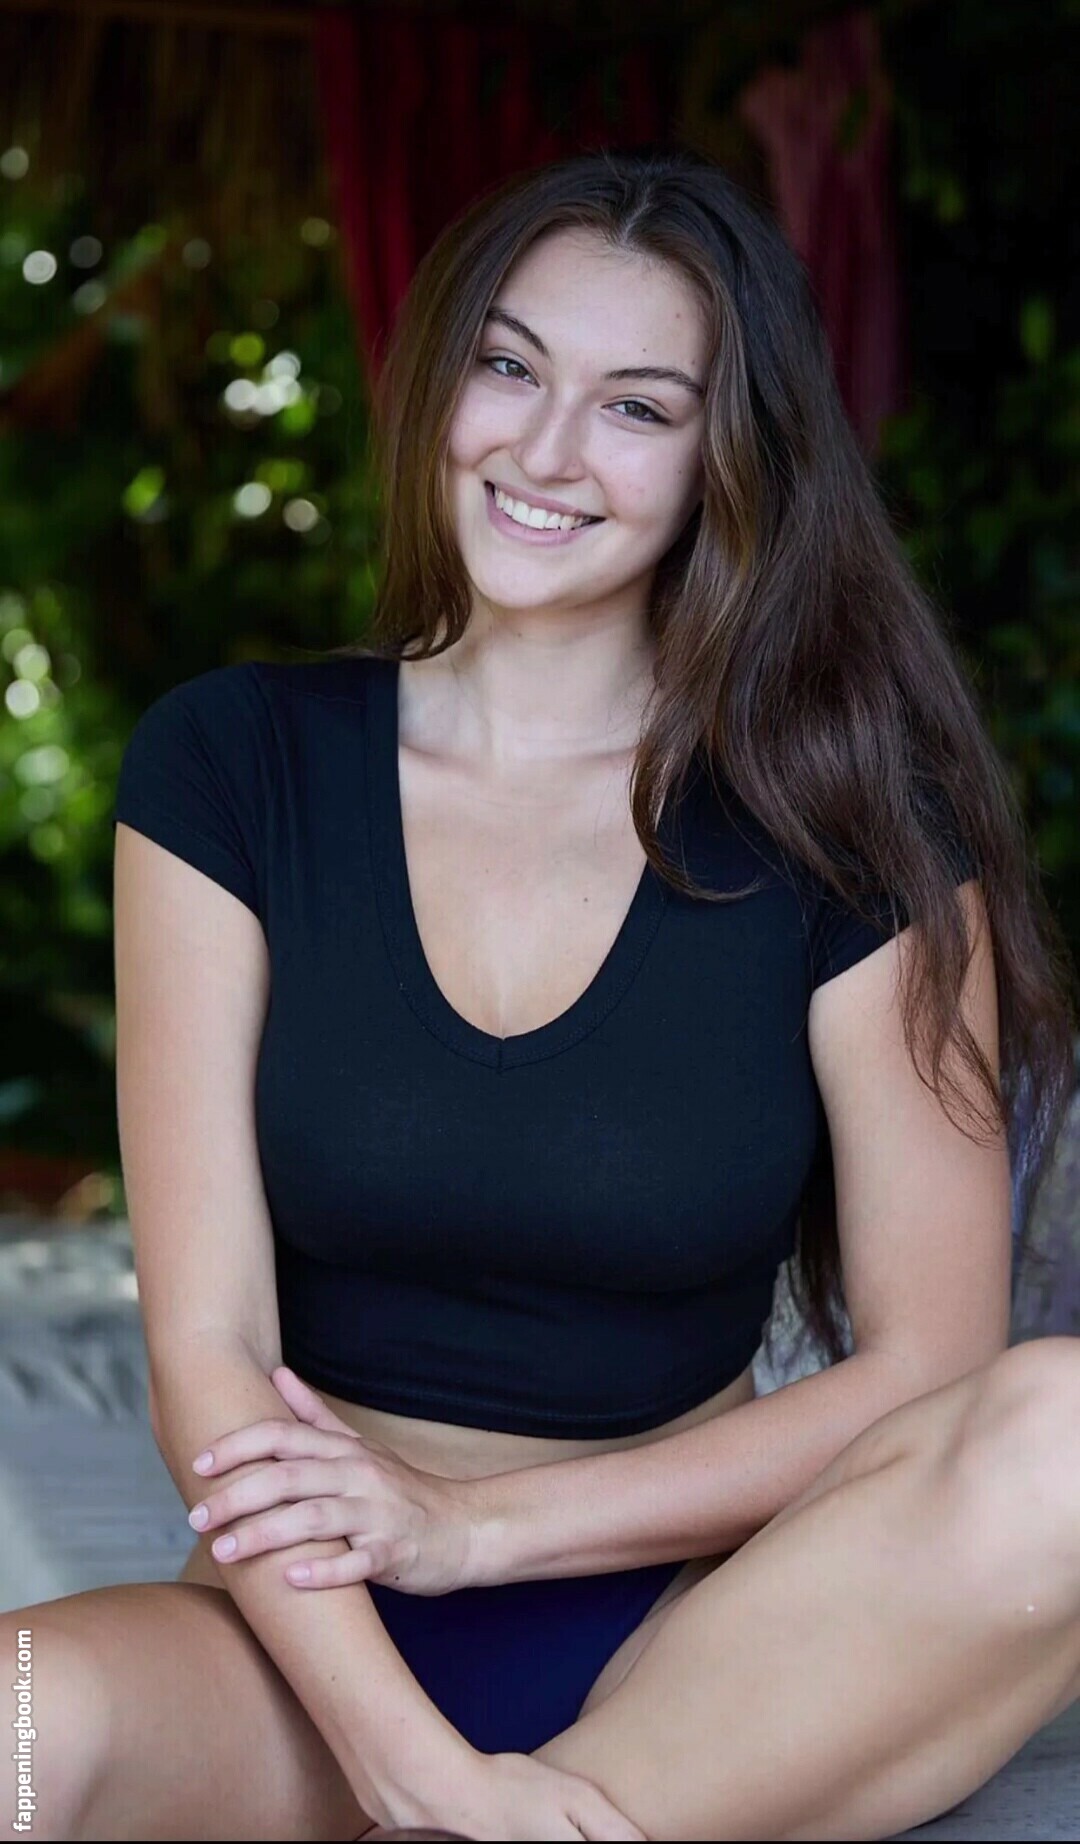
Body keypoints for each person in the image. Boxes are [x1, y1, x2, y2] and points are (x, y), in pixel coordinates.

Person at [4, 148, 1079, 1843]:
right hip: (306, 1644)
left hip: (703, 1645)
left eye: (638, 407)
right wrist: (415, 1773)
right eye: (511, 367)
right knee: (11, 1719)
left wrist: (474, 1529)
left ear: (729, 464)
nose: (548, 448)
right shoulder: (232, 763)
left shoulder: (856, 834)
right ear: (443, 380)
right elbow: (209, 1355)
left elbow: (932, 1366)